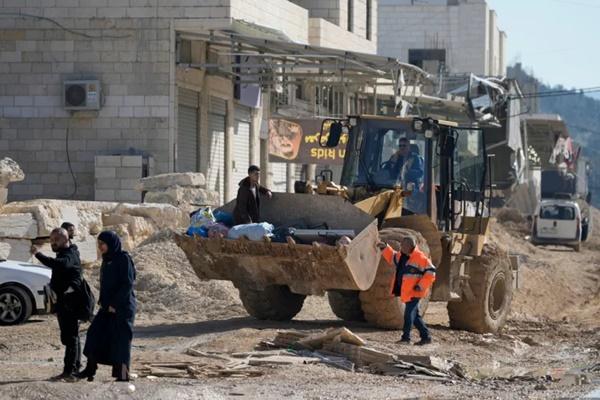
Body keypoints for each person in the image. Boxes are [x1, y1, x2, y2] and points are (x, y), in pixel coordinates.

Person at [77, 231, 136, 382]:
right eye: (99, 244)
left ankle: (123, 374)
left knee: (121, 340)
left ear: (111, 243)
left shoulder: (123, 259)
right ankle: (90, 368)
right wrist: (105, 303)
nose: (100, 247)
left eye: (103, 244)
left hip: (122, 307)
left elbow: (127, 283)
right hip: (107, 307)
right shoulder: (106, 259)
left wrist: (115, 304)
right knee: (94, 334)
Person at [30, 228, 83, 382]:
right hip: (65, 303)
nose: (53, 243)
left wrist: (38, 254)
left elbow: (58, 265)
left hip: (70, 303)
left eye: (56, 240)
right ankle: (73, 369)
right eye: (51, 240)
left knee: (71, 338)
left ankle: (70, 372)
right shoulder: (65, 253)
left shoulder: (69, 255)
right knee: (71, 338)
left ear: (65, 240)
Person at [377, 236, 436, 345]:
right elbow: (393, 257)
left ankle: (406, 338)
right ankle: (426, 337)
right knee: (415, 317)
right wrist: (385, 248)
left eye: (403, 245)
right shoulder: (402, 256)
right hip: (408, 292)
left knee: (408, 315)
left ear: (410, 246)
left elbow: (431, 272)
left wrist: (420, 285)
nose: (401, 247)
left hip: (415, 293)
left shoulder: (420, 258)